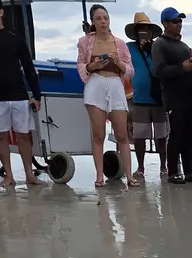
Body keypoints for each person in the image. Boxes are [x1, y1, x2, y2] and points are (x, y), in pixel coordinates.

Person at [0, 0, 42, 187]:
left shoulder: (15, 37)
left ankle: (30, 174)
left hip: (18, 94)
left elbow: (29, 67)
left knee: (24, 135)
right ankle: (9, 175)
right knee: (0, 136)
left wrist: (36, 95)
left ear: (0, 11)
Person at [77, 4, 137, 188]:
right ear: (93, 22)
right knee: (98, 134)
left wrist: (118, 62)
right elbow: (80, 63)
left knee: (121, 134)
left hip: (115, 85)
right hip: (96, 84)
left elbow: (130, 71)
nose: (103, 21)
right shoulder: (85, 41)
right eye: (98, 18)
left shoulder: (119, 43)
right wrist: (91, 66)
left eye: (105, 17)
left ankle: (129, 175)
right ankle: (99, 176)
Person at [151, 7, 192, 184]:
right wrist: (181, 68)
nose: (179, 24)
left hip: (190, 97)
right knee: (176, 134)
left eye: (180, 21)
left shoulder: (184, 46)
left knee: (189, 135)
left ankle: (189, 171)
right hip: (173, 97)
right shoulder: (159, 44)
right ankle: (173, 171)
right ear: (165, 23)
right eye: (175, 21)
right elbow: (159, 71)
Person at [124, 12, 168, 177]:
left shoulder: (158, 47)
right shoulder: (128, 47)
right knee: (139, 136)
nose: (144, 31)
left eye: (147, 29)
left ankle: (163, 167)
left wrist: (150, 49)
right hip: (139, 99)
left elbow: (163, 67)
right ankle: (141, 167)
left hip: (159, 99)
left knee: (162, 135)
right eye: (141, 29)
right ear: (135, 32)